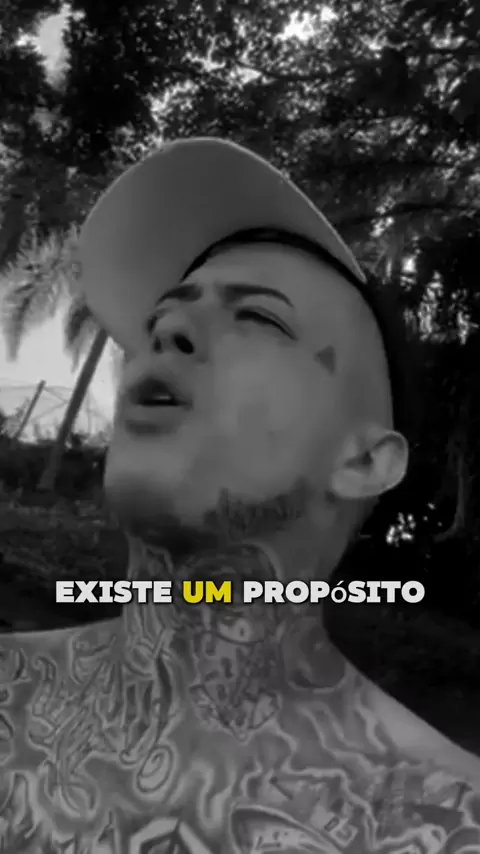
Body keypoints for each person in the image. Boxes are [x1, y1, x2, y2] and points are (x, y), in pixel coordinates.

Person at [1, 138, 480, 854]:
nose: (167, 333)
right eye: (161, 320)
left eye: (259, 318)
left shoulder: (437, 825)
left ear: (363, 460)